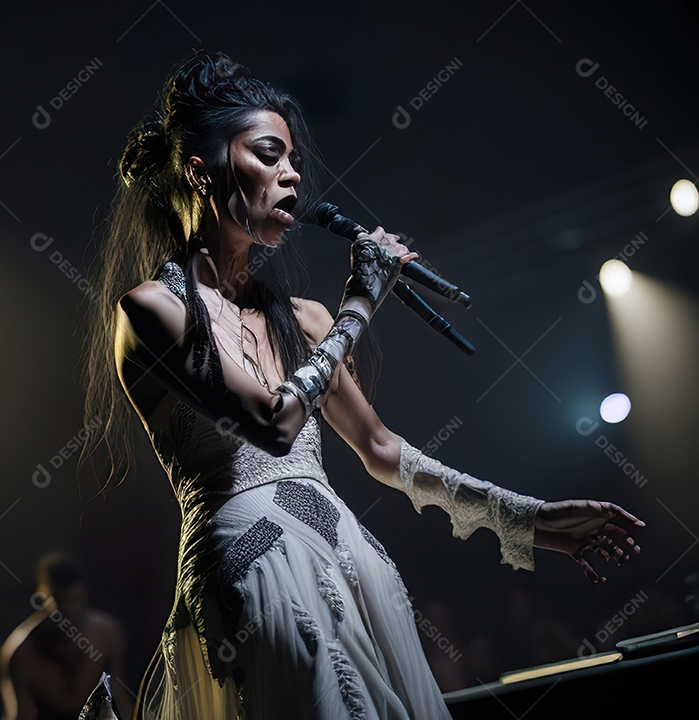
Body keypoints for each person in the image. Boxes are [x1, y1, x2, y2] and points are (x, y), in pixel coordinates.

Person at [80, 51, 645, 719]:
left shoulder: (304, 319)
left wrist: (528, 519)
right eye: (269, 155)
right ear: (201, 173)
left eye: (294, 160)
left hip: (346, 559)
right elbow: (272, 422)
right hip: (251, 572)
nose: (292, 175)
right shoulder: (152, 310)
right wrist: (357, 307)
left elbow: (380, 448)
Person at [0, 553, 130, 720]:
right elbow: (21, 714)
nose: (69, 609)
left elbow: (118, 695)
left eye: (75, 599)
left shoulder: (106, 634)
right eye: (61, 600)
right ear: (42, 596)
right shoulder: (21, 654)